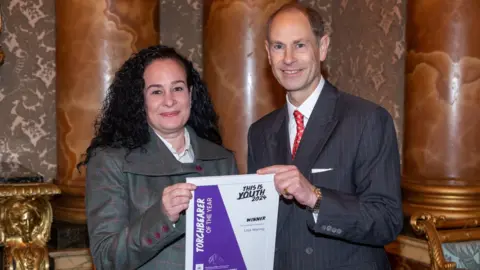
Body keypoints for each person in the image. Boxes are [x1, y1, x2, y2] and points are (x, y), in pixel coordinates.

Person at [247, 3, 403, 269]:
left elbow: (386, 222)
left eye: (300, 45)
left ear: (322, 47)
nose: (288, 59)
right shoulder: (259, 132)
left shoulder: (367, 120)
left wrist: (316, 198)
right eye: (278, 46)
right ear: (267, 53)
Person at [79, 45, 238, 270]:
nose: (169, 101)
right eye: (156, 91)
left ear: (191, 95)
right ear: (139, 100)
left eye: (178, 88)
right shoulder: (110, 162)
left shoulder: (222, 160)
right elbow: (106, 259)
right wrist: (161, 216)